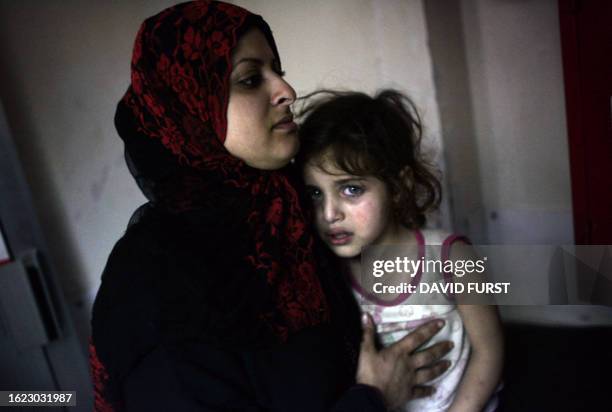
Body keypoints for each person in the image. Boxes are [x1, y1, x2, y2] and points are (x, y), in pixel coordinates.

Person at [89, 2, 453, 411]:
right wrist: (373, 399)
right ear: (188, 108)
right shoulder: (157, 281)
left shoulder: (290, 209)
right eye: (249, 79)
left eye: (278, 70)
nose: (286, 91)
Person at [297, 90, 504, 412]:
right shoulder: (330, 272)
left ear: (398, 186)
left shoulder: (450, 256)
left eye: (351, 189)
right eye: (314, 194)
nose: (329, 213)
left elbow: (490, 350)